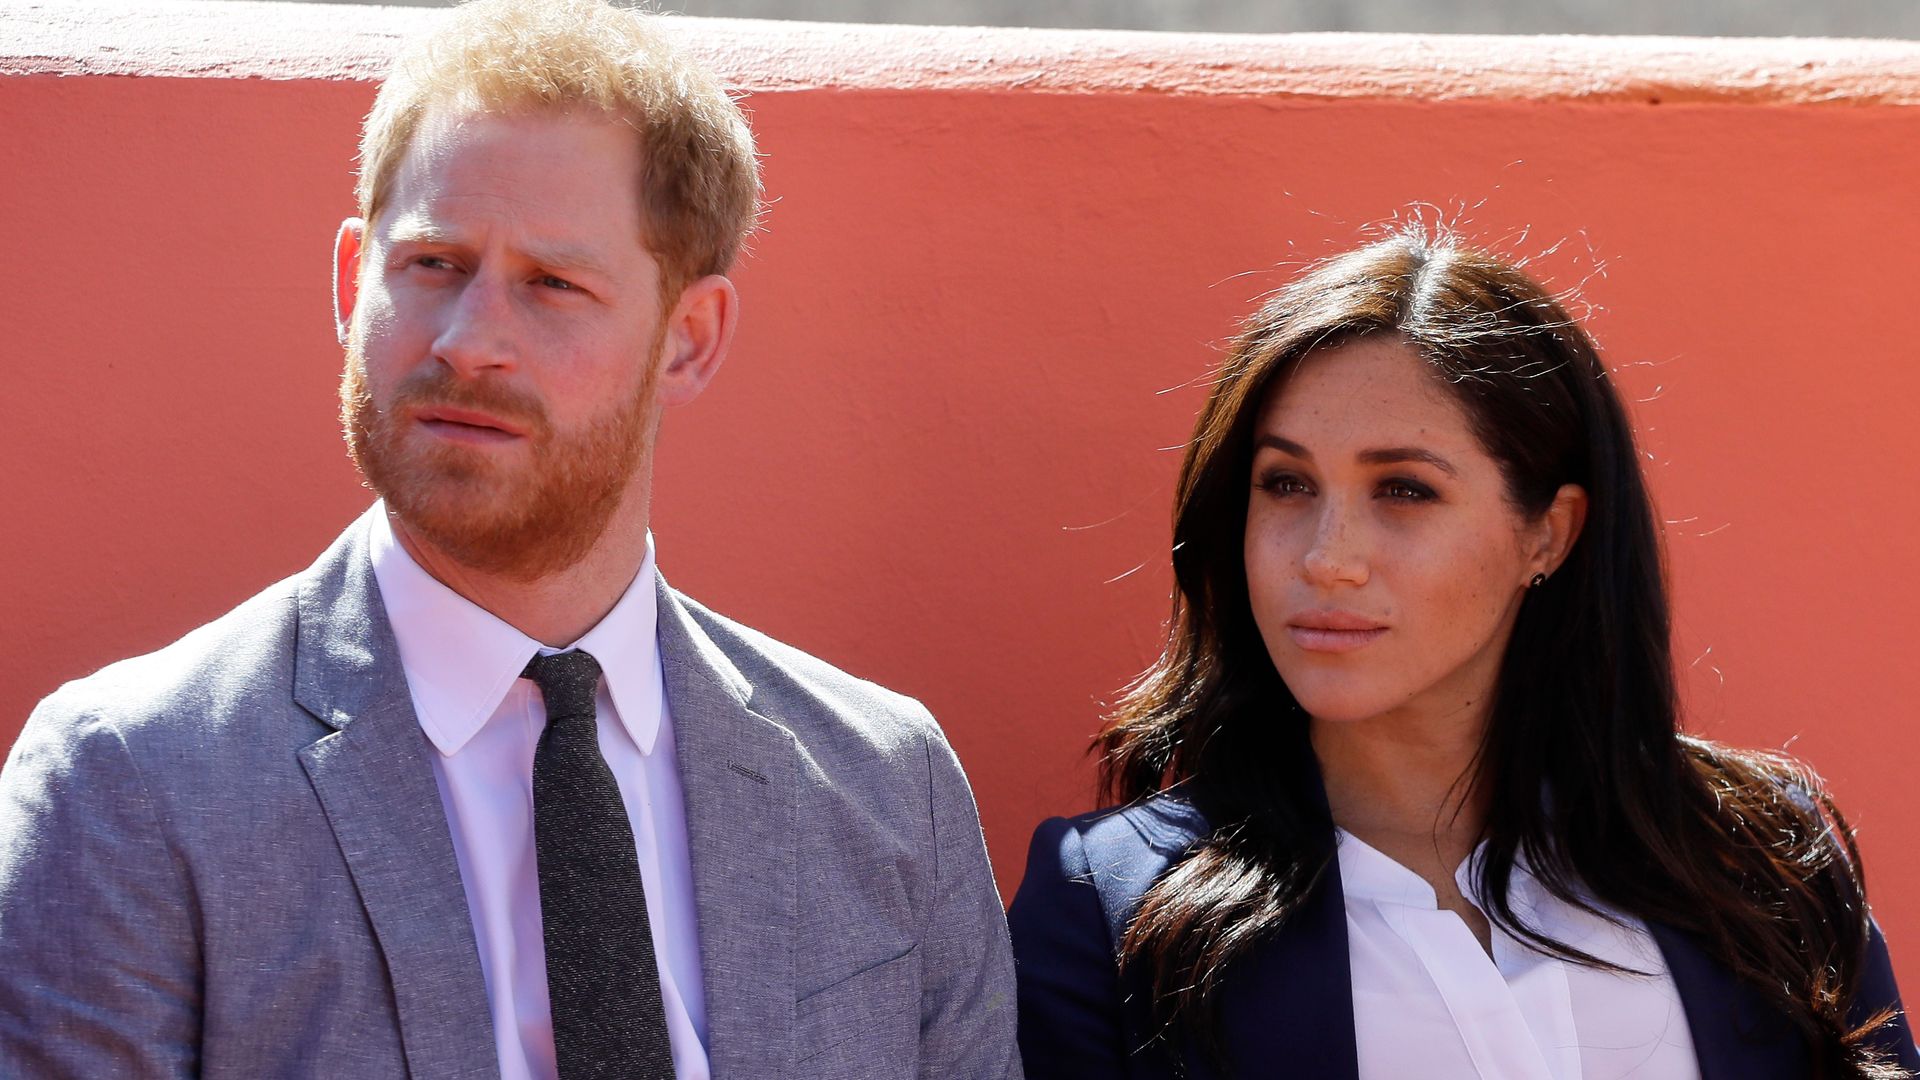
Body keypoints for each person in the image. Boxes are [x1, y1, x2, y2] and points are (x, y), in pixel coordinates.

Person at [0, 2, 1020, 1077]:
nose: (470, 339)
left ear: (689, 338)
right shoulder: (132, 781)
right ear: (352, 283)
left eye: (552, 284)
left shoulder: (885, 784)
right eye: (433, 263)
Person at [1007, 227, 1920, 1080]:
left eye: (1404, 489)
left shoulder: (1760, 860)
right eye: (1286, 483)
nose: (1326, 557)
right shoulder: (1112, 908)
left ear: (1549, 534)